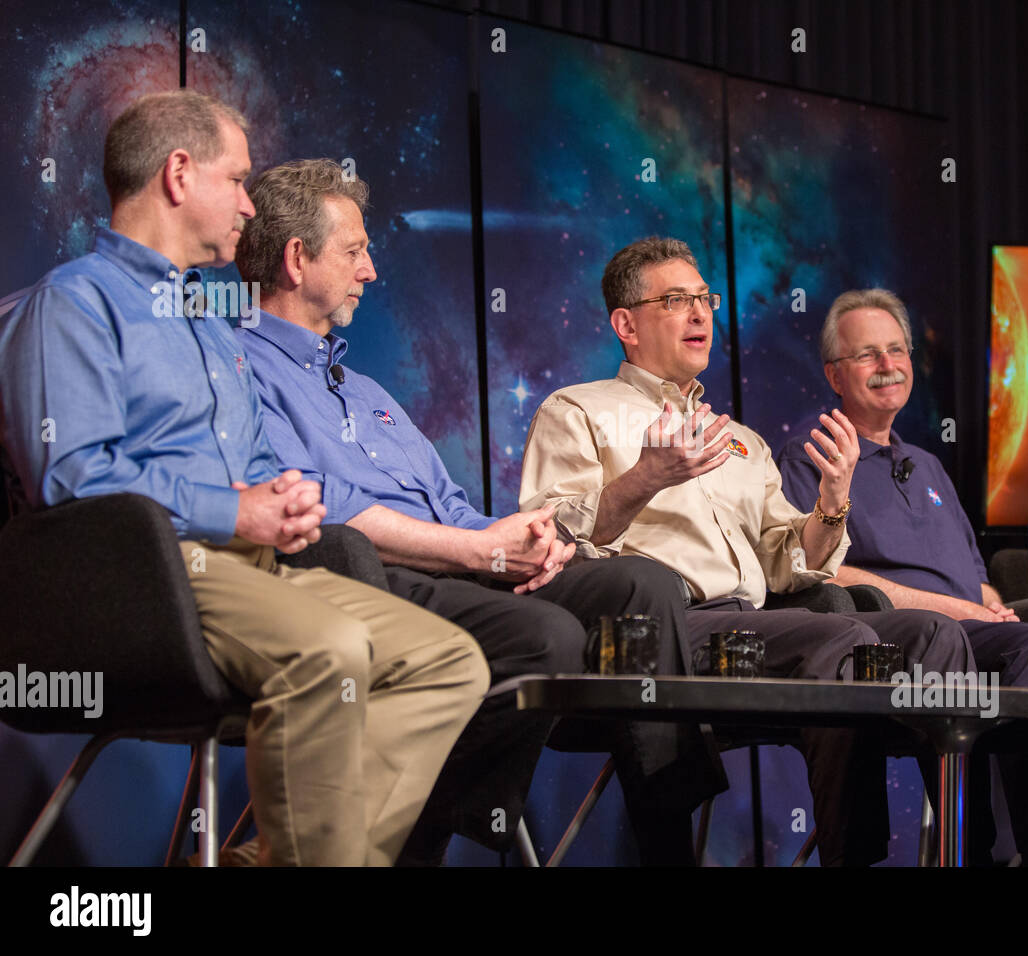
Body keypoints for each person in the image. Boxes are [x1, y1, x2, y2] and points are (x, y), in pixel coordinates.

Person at [0, 91, 489, 866]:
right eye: (237, 182)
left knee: (449, 663)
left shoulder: (211, 326)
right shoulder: (75, 304)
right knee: (330, 651)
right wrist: (235, 513)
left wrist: (285, 501)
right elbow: (73, 479)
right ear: (178, 173)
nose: (247, 206)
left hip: (260, 572)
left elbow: (257, 468)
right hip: (149, 575)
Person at [234, 161, 723, 865]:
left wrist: (521, 538)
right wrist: (477, 552)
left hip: (456, 567)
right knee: (546, 636)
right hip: (359, 578)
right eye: (355, 251)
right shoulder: (241, 366)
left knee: (640, 585)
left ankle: (669, 845)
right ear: (295, 258)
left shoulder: (365, 387)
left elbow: (452, 506)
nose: (370, 271)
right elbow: (315, 509)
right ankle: (401, 846)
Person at [519, 237, 976, 866]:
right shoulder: (577, 411)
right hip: (662, 636)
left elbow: (793, 562)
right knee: (843, 641)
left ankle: (967, 853)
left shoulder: (740, 440)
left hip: (756, 627)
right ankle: (855, 860)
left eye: (704, 298)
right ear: (625, 324)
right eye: (676, 300)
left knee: (934, 636)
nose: (701, 314)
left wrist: (833, 501)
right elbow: (554, 544)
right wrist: (645, 477)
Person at [775, 288, 1028, 864]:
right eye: (867, 356)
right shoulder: (811, 456)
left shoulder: (930, 465)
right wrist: (966, 613)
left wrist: (991, 605)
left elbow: (974, 576)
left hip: (985, 636)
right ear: (835, 376)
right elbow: (820, 572)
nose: (888, 366)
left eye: (896, 351)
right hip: (904, 645)